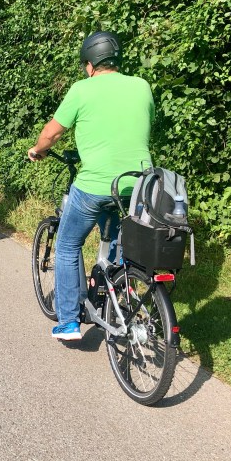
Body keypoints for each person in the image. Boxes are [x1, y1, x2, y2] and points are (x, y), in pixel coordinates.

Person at [27, 31, 154, 341]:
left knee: (68, 245)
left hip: (96, 185)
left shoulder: (82, 90)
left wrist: (37, 150)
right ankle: (118, 298)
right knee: (120, 244)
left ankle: (69, 321)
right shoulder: (142, 86)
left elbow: (52, 133)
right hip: (140, 184)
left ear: (90, 63)